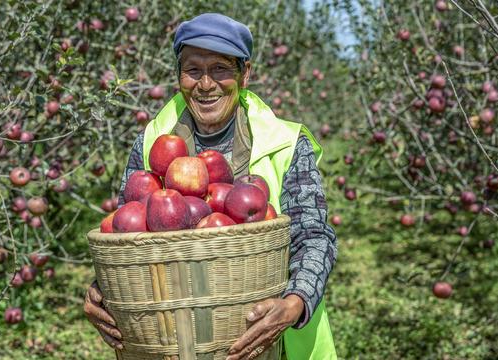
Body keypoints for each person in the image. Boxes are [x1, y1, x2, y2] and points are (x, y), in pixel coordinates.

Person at [84, 13, 338, 360]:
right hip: (173, 343)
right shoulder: (153, 142)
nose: (205, 84)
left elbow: (314, 236)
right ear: (178, 76)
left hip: (269, 344)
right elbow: (125, 235)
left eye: (220, 69)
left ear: (244, 74)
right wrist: (103, 290)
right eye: (193, 70)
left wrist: (295, 303)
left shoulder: (285, 141)